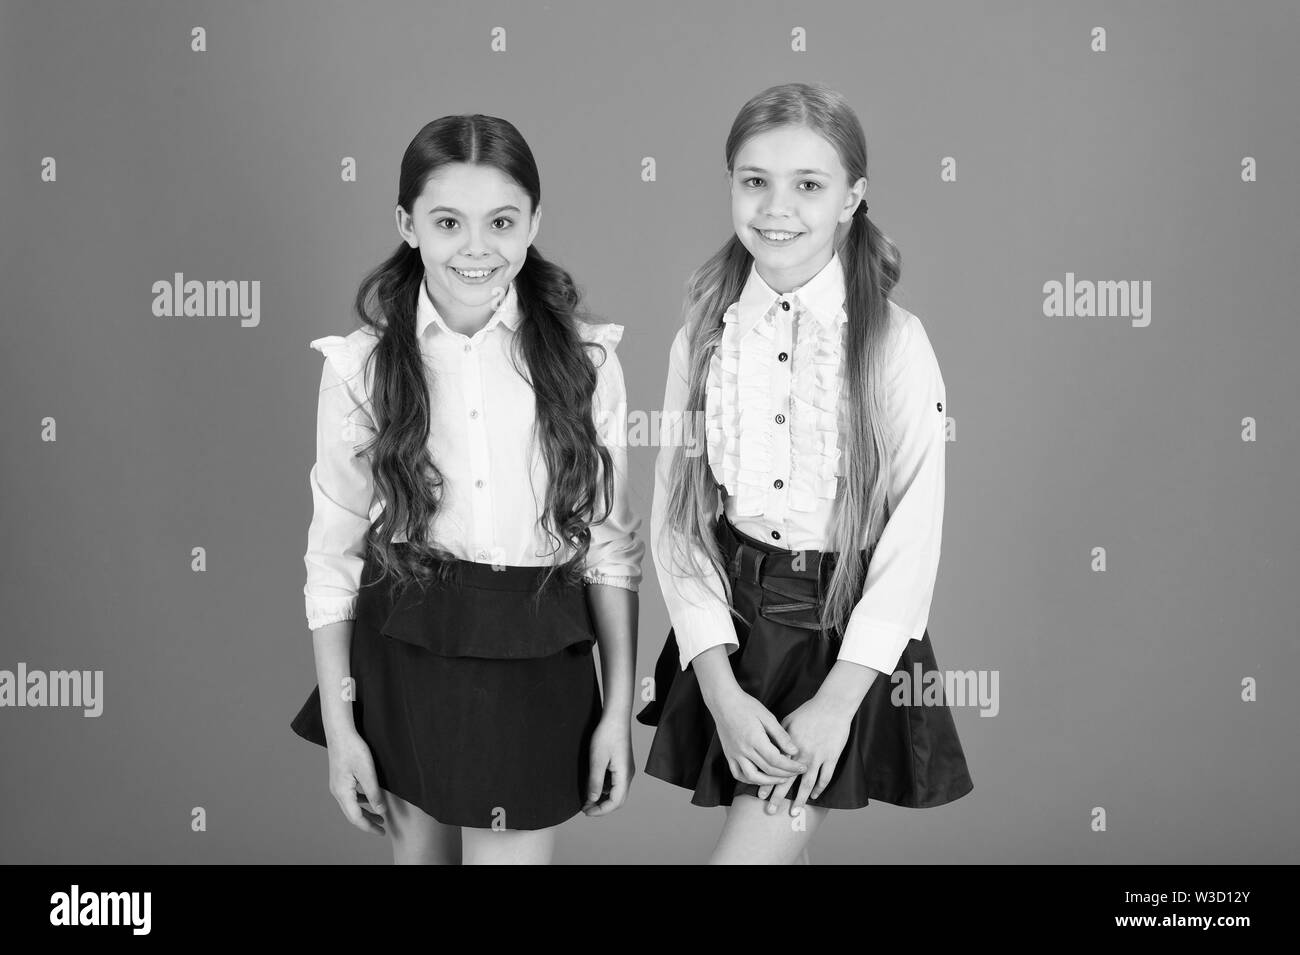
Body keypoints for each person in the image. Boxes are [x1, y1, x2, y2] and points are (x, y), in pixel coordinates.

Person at [290, 114, 643, 865]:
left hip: (537, 655)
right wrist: (342, 729)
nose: (476, 247)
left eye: (502, 221)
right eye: (448, 221)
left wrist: (617, 710)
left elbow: (609, 552)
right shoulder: (358, 368)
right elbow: (334, 557)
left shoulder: (586, 363)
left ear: (533, 223)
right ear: (407, 224)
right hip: (404, 650)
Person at [638, 82, 974, 864]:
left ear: (852, 197)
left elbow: (913, 537)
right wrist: (719, 690)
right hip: (735, 632)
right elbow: (678, 523)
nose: (776, 207)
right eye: (754, 180)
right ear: (730, 185)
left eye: (808, 185)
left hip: (837, 639)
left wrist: (837, 702)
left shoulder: (893, 342)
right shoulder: (704, 334)